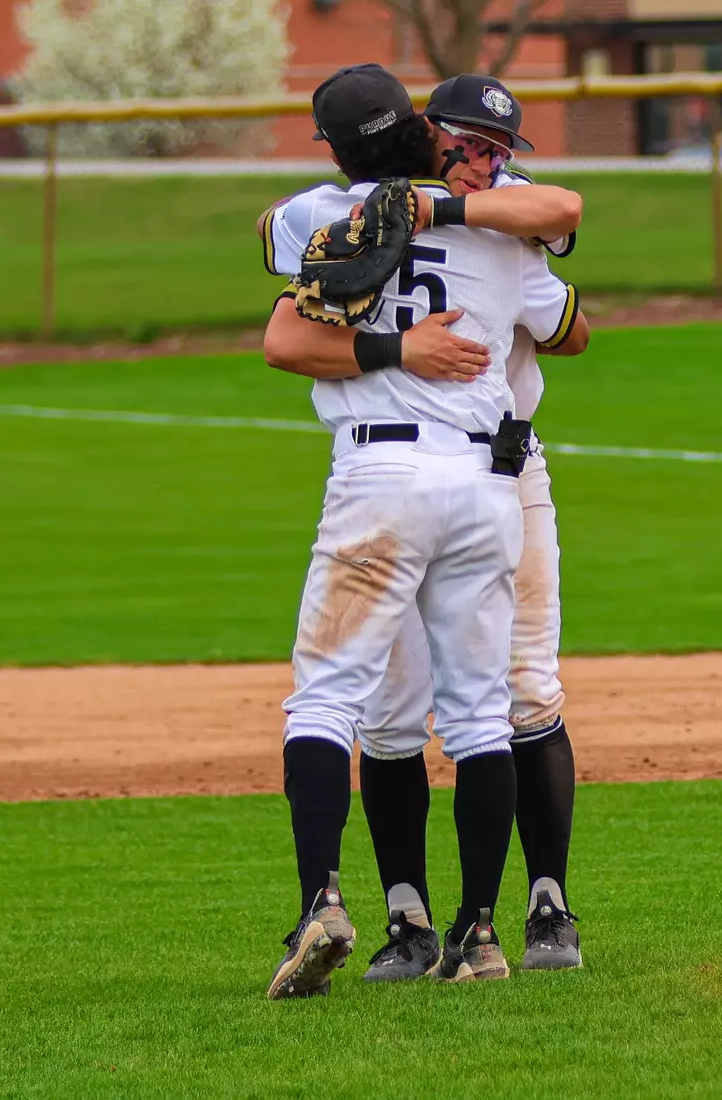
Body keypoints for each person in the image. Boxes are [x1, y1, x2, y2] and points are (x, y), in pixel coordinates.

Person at [261, 63, 586, 999]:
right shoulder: (506, 230)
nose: (485, 161)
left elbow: (283, 325)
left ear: (336, 150)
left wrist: (414, 215)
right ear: (421, 129)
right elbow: (565, 276)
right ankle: (472, 932)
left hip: (387, 476)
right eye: (469, 145)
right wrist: (445, 222)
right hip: (481, 485)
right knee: (478, 713)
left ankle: (323, 903)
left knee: (330, 703)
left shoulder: (324, 218)